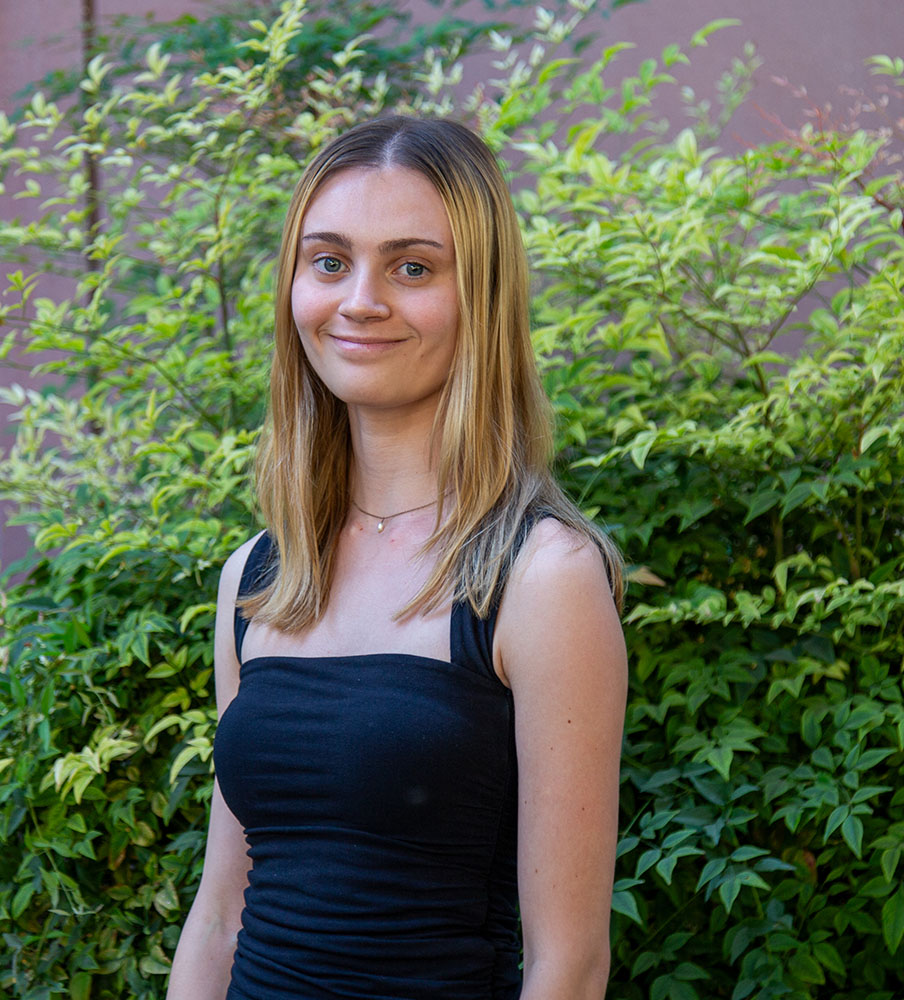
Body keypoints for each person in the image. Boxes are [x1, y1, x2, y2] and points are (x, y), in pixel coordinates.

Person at [166, 114, 628, 1000]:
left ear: (481, 298)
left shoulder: (542, 579)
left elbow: (568, 966)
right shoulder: (257, 578)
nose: (361, 299)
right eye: (329, 261)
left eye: (412, 267)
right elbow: (222, 912)